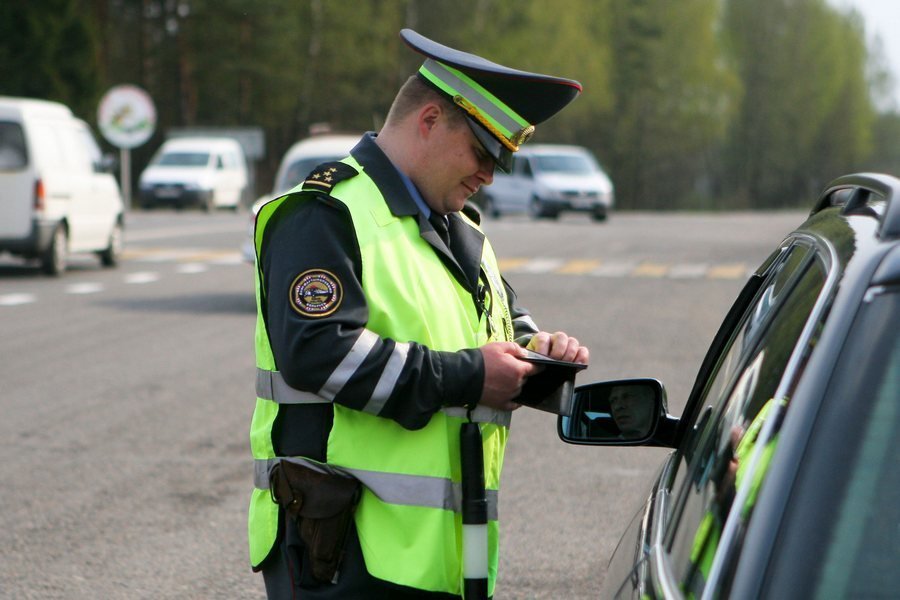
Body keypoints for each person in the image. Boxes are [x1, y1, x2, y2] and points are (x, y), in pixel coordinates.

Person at [248, 28, 588, 599]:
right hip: (342, 552)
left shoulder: (462, 229)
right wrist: (474, 374)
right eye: (482, 152)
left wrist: (540, 353)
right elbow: (318, 354)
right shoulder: (324, 213)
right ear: (429, 120)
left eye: (500, 162)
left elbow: (499, 324)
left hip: (439, 552)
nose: (489, 173)